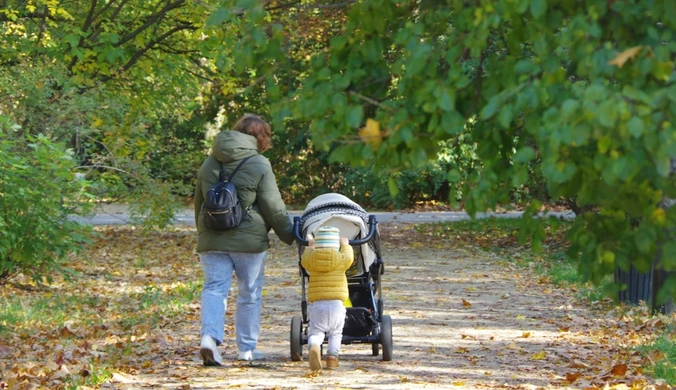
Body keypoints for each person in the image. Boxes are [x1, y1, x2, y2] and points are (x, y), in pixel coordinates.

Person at [194, 114, 294, 366]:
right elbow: (273, 206)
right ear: (261, 137)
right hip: (249, 243)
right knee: (249, 293)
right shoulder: (259, 163)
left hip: (212, 240)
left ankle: (209, 338)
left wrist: (205, 234)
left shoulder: (209, 163)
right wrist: (290, 234)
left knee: (214, 288)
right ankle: (246, 349)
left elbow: (199, 204)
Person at [301, 226, 354, 371]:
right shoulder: (341, 259)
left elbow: (304, 261)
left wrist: (310, 248)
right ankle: (332, 358)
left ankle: (314, 345)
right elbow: (350, 257)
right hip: (337, 304)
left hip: (318, 304)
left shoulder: (311, 260)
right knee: (336, 333)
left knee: (316, 332)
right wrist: (346, 245)